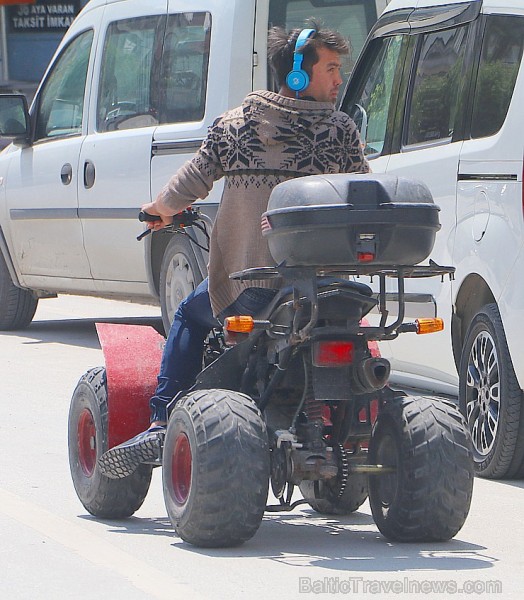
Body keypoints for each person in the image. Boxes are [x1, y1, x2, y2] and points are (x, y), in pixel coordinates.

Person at [99, 21, 370, 479]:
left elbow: (192, 180)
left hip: (257, 287)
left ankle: (162, 420)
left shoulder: (237, 126)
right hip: (327, 290)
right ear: (299, 75)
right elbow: (365, 192)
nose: (339, 80)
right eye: (331, 69)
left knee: (187, 314)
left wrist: (159, 209)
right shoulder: (340, 131)